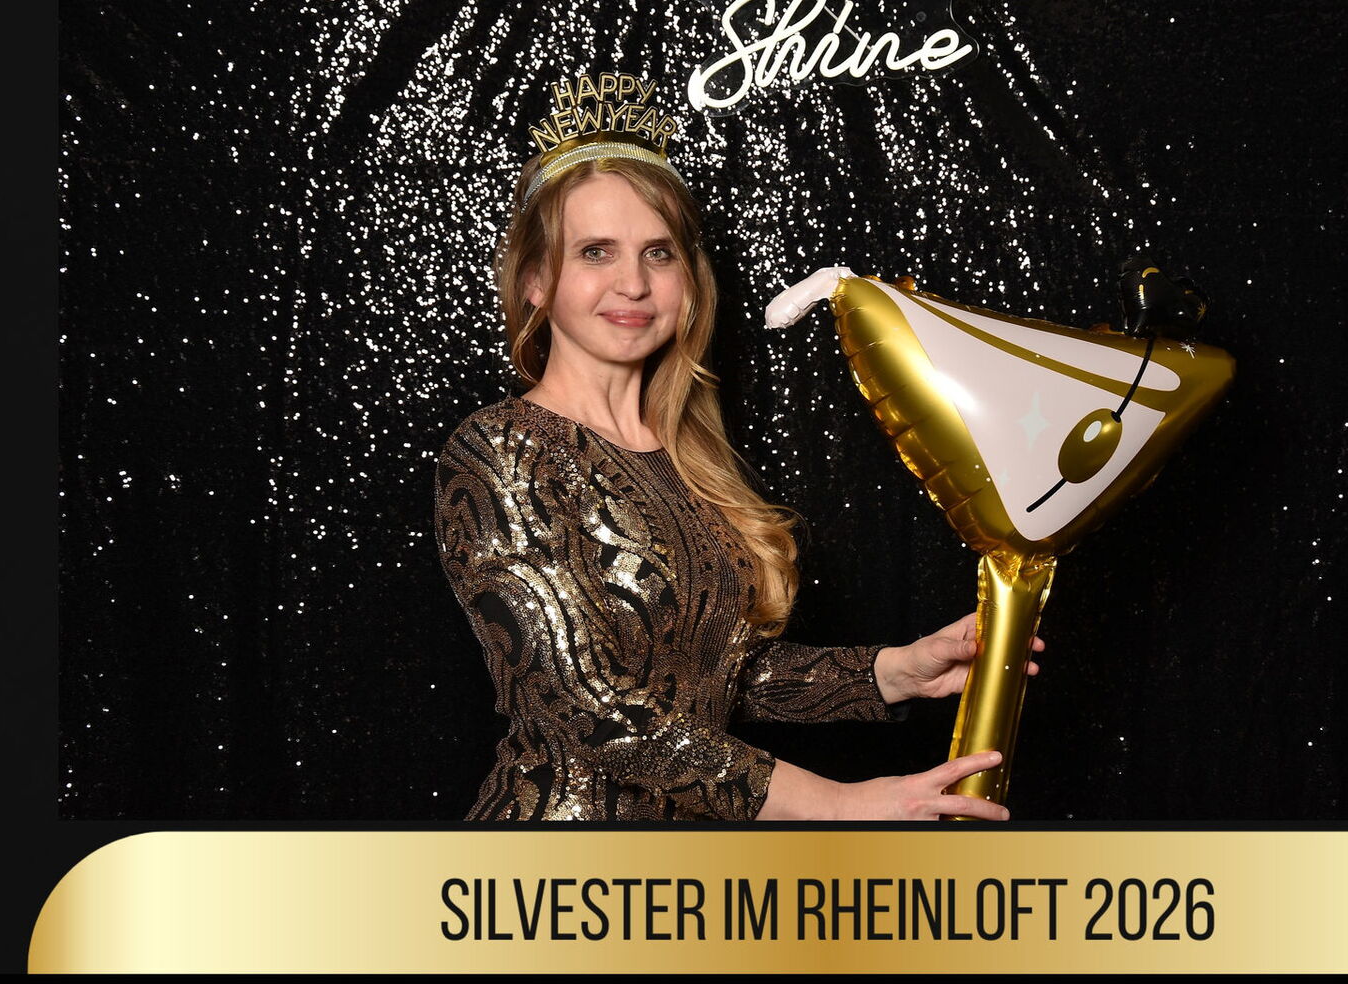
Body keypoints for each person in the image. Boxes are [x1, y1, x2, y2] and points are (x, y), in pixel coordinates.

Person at [433, 70, 1040, 821]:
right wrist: (839, 804)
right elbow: (598, 714)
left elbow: (715, 677)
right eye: (595, 252)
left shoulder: (687, 456)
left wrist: (891, 673)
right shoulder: (500, 449)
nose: (633, 283)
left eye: (659, 253)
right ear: (534, 281)